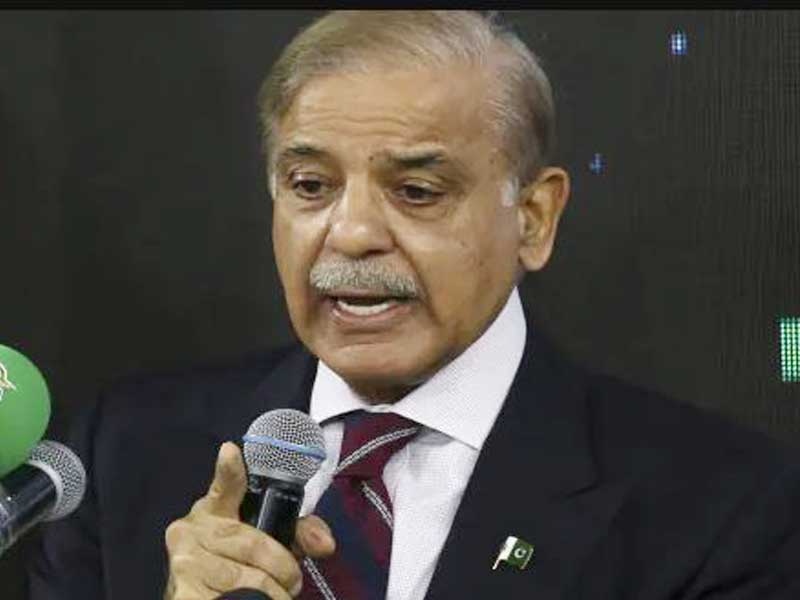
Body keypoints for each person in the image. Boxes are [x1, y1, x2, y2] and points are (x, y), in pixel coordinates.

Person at [28, 10, 800, 600]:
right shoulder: (122, 455)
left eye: (417, 191)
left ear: (534, 219)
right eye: (310, 185)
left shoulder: (725, 507)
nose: (351, 234)